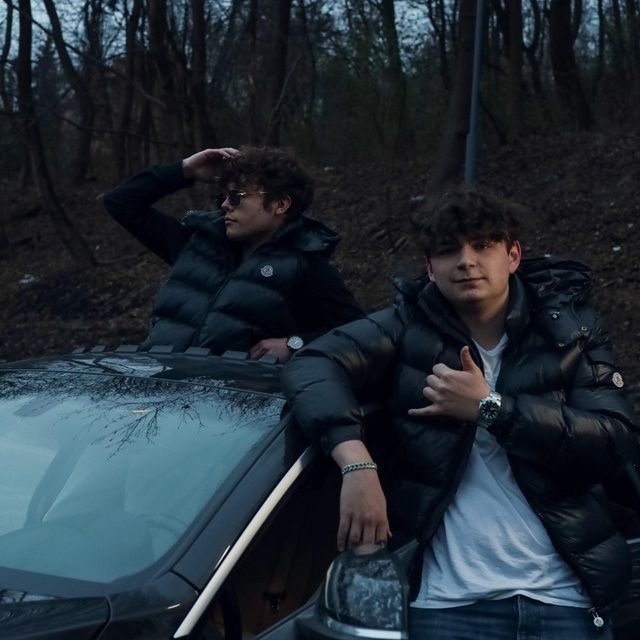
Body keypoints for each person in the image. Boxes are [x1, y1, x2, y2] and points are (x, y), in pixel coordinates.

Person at [281, 185, 639, 639]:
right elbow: (312, 363)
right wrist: (356, 463)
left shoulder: (569, 334)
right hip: (447, 607)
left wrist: (489, 408)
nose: (467, 261)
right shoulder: (407, 328)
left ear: (513, 256)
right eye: (449, 250)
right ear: (431, 268)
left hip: (565, 603)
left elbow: (614, 440)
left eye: (483, 246)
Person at [103, 146, 363, 359]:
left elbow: (359, 334)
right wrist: (186, 170)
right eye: (224, 197)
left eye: (237, 196)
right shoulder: (196, 243)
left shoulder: (306, 266)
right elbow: (121, 203)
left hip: (232, 402)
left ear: (280, 204)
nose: (226, 205)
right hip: (159, 390)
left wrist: (295, 344)